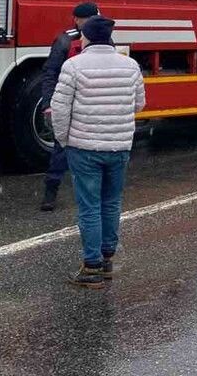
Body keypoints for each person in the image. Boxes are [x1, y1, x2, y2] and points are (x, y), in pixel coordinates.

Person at [50, 16, 145, 289]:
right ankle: (107, 260)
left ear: (87, 37)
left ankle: (91, 267)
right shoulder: (130, 65)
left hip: (84, 148)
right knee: (112, 202)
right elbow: (139, 103)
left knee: (89, 206)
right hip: (119, 147)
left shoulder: (73, 65)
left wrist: (64, 138)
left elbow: (59, 109)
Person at [39, 1, 101, 211]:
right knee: (61, 150)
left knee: (91, 153)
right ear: (76, 20)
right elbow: (50, 73)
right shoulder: (65, 41)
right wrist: (48, 104)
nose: (90, 23)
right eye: (87, 19)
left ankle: (89, 196)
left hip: (89, 105)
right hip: (68, 104)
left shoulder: (102, 39)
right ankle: (50, 193)